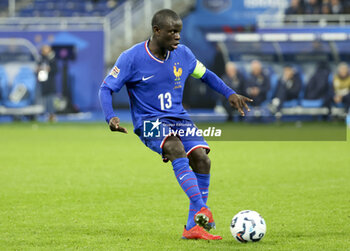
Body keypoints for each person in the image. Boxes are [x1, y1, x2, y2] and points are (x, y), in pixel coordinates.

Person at [99, 9, 252, 240]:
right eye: (172, 32)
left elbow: (206, 74)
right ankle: (202, 208)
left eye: (179, 32)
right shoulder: (131, 57)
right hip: (148, 122)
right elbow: (106, 88)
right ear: (157, 31)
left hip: (179, 118)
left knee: (202, 158)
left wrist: (229, 93)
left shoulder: (183, 54)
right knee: (174, 148)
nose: (178, 37)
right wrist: (110, 116)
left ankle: (193, 227)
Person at [37, 45, 57, 122]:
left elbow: (56, 70)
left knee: (50, 99)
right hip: (42, 82)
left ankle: (52, 115)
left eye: (47, 48)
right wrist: (38, 69)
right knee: (43, 99)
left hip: (50, 83)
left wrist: (49, 69)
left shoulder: (52, 59)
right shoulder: (40, 59)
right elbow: (37, 68)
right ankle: (44, 115)